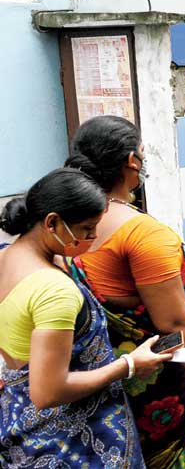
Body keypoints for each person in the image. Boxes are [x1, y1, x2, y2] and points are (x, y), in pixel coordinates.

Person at [64, 115, 185, 468]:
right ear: (132, 162)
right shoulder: (142, 234)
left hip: (100, 394)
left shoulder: (61, 228)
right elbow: (176, 330)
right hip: (158, 396)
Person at [0, 168, 170, 468]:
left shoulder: (6, 257)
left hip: (19, 428)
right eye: (86, 228)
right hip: (72, 444)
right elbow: (48, 391)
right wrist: (129, 365)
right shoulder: (53, 290)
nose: (93, 238)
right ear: (51, 222)